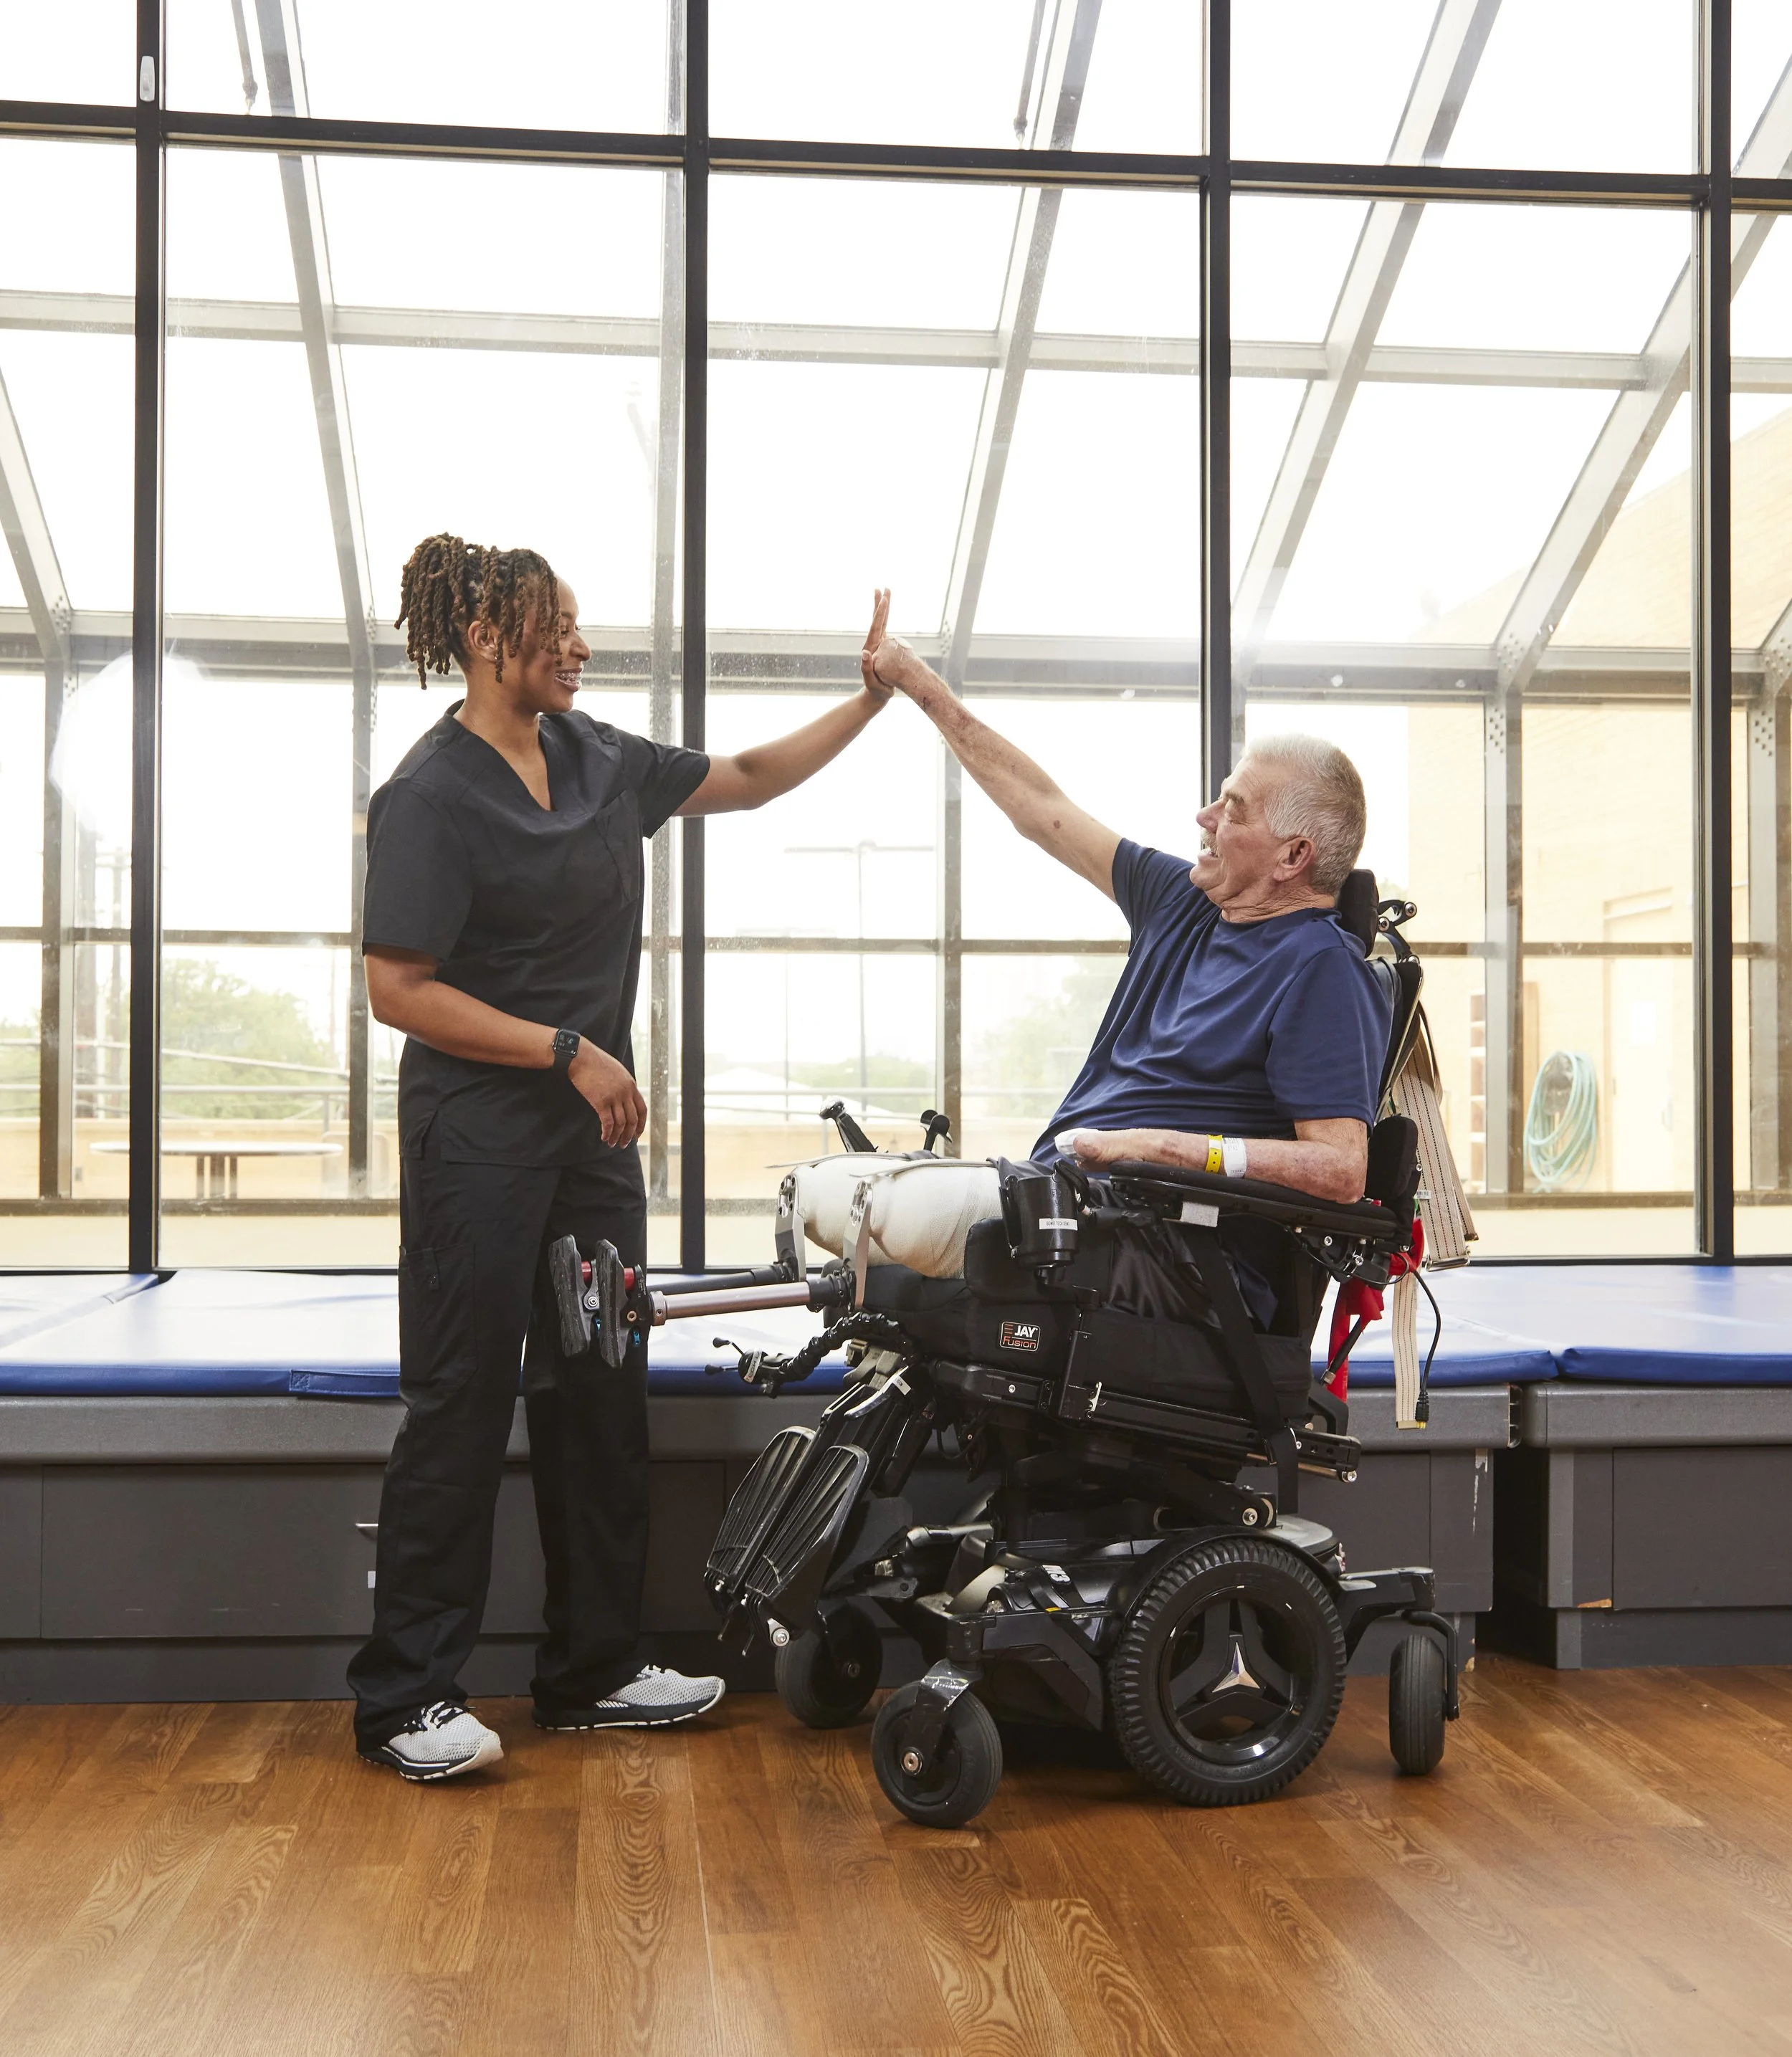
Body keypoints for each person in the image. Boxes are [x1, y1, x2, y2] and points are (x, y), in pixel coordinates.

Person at [348, 542, 895, 1782]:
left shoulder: (599, 761)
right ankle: (404, 1699)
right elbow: (398, 990)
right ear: (489, 636)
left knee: (599, 1387)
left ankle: (593, 1668)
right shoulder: (429, 794)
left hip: (589, 1152)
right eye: (558, 628)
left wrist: (869, 702)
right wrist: (565, 1050)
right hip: (478, 1143)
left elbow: (749, 778)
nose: (581, 648)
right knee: (463, 1400)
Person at [862, 591, 1390, 1319]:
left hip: (1179, 1257)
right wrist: (918, 683)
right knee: (841, 1215)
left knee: (881, 1215)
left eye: (1233, 809)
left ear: (1293, 855)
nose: (1204, 818)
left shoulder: (1322, 968)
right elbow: (1039, 807)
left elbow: (1339, 1169)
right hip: (1075, 1206)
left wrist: (1172, 1149)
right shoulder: (1181, 899)